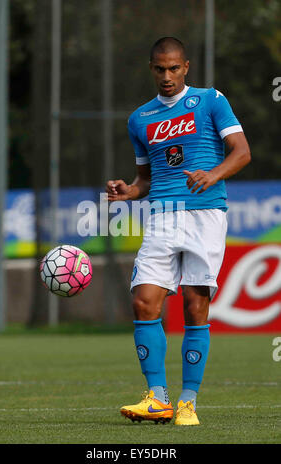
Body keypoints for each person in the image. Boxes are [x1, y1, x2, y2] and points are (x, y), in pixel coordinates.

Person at [105, 37, 251, 426]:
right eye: (159, 69)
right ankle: (157, 398)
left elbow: (241, 151)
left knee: (194, 305)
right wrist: (129, 191)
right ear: (151, 68)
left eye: (173, 68)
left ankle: (188, 402)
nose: (166, 76)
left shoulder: (210, 100)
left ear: (185, 66)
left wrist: (213, 174)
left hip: (205, 213)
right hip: (162, 215)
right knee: (143, 300)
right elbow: (145, 179)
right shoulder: (140, 119)